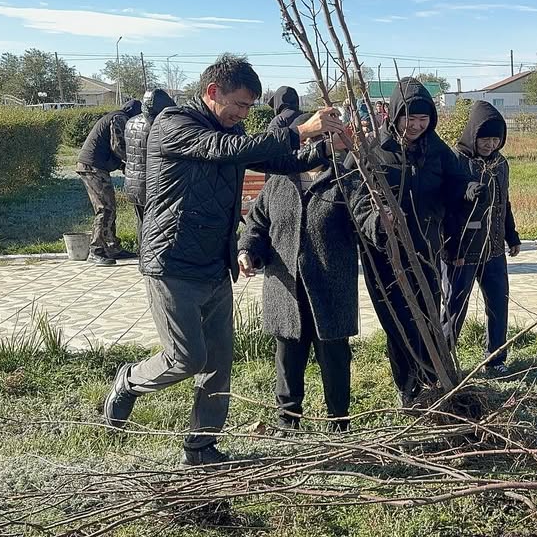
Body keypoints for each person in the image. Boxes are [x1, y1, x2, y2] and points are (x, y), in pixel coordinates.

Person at [101, 54, 345, 467]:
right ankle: (129, 381)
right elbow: (224, 149)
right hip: (173, 262)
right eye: (240, 104)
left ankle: (201, 446)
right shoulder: (175, 125)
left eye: (250, 107)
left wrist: (325, 147)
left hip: (215, 264)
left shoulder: (229, 130)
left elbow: (275, 161)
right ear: (213, 92)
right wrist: (300, 129)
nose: (243, 113)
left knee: (217, 364)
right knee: (186, 358)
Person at [348, 77, 480, 406]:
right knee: (400, 322)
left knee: (427, 316)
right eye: (410, 118)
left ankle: (429, 382)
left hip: (426, 247)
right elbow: (356, 198)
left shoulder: (437, 149)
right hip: (386, 252)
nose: (417, 125)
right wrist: (378, 223)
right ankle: (407, 391)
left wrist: (467, 190)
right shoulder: (374, 149)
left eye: (424, 119)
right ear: (394, 115)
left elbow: (454, 183)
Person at [238, 116, 358, 433]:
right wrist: (247, 251)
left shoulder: (347, 179)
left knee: (334, 355)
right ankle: (287, 421)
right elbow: (257, 224)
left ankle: (338, 421)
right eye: (310, 138)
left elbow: (366, 222)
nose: (313, 145)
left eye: (323, 138)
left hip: (331, 285)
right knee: (288, 357)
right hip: (286, 286)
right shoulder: (279, 179)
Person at [442, 101, 521, 374]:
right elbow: (445, 209)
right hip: (462, 252)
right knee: (454, 309)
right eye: (484, 138)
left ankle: (495, 359)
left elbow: (504, 203)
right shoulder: (454, 160)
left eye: (495, 138)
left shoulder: (500, 164)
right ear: (472, 135)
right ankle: (444, 362)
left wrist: (512, 236)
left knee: (499, 305)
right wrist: (453, 249)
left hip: (494, 249)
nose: (489, 144)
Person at [76, 99, 142, 266]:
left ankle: (112, 247)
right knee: (104, 208)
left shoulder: (117, 116)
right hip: (92, 166)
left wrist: (123, 165)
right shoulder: (120, 118)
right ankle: (96, 250)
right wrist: (133, 162)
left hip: (95, 165)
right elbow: (118, 146)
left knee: (110, 207)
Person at [123, 89, 175, 238]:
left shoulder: (130, 122)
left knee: (141, 223)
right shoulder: (160, 125)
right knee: (156, 228)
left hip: (133, 181)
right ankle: (149, 259)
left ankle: (141, 257)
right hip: (153, 183)